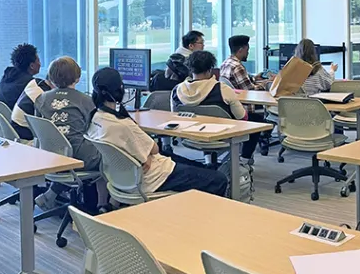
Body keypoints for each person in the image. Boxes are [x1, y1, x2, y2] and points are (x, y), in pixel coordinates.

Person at [88, 68, 229, 197]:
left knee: (191, 164)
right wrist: (147, 155)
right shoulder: (123, 124)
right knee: (218, 179)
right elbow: (154, 149)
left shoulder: (94, 118)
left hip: (124, 178)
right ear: (120, 89)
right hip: (154, 178)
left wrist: (146, 155)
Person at [174, 50, 258, 161]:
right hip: (222, 136)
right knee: (256, 120)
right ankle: (244, 160)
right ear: (210, 69)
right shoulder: (222, 89)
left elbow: (174, 117)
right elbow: (242, 117)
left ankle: (208, 158)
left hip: (189, 136)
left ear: (190, 68)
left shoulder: (177, 90)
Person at [33, 56, 102, 170]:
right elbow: (98, 129)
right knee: (110, 150)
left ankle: (59, 187)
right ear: (77, 78)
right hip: (79, 157)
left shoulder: (41, 99)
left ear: (51, 77)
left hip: (50, 155)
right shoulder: (86, 101)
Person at [0, 43, 47, 139]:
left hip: (3, 129)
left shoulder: (6, 78)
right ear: (31, 65)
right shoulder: (31, 85)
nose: (40, 64)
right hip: (21, 132)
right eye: (38, 60)